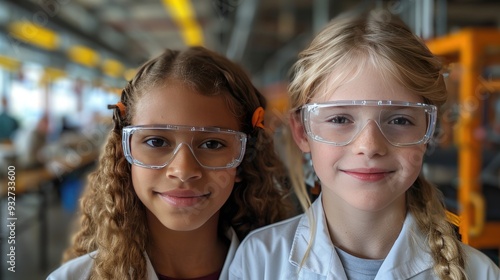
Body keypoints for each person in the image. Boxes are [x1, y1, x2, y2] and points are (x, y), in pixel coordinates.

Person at [229, 9, 500, 280]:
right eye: (340, 118)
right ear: (302, 131)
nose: (369, 146)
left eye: (400, 120)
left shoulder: (480, 273)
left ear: (428, 130)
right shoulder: (258, 262)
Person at [47, 46, 294, 280]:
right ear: (124, 153)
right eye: (156, 142)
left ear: (244, 157)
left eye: (212, 144)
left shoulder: (290, 273)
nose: (183, 171)